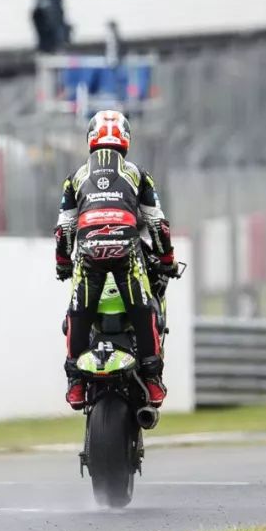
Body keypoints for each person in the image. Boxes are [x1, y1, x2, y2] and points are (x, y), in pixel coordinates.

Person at [54, 110, 177, 410]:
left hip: (89, 252)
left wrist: (63, 263)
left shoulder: (75, 178)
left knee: (78, 313)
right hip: (126, 251)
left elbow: (64, 229)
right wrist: (167, 258)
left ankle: (75, 383)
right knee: (143, 310)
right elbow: (157, 223)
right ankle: (152, 379)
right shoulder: (137, 174)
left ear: (90, 139)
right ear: (126, 140)